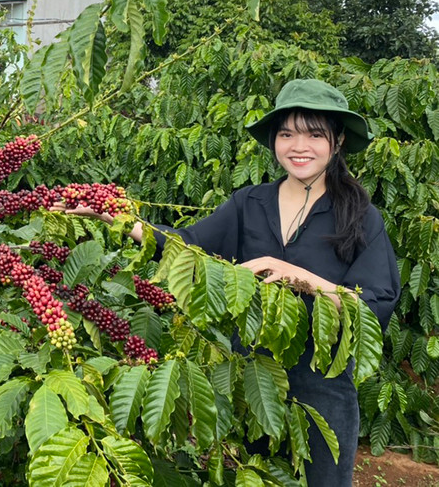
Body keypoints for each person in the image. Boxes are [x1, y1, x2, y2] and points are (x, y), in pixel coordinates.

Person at [55, 78, 400, 486]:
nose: (298, 146)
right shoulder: (248, 204)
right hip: (248, 384)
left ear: (338, 141)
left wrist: (302, 278)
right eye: (287, 134)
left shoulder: (359, 217)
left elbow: (376, 302)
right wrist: (116, 217)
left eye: (314, 134)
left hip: (321, 390)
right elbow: (189, 246)